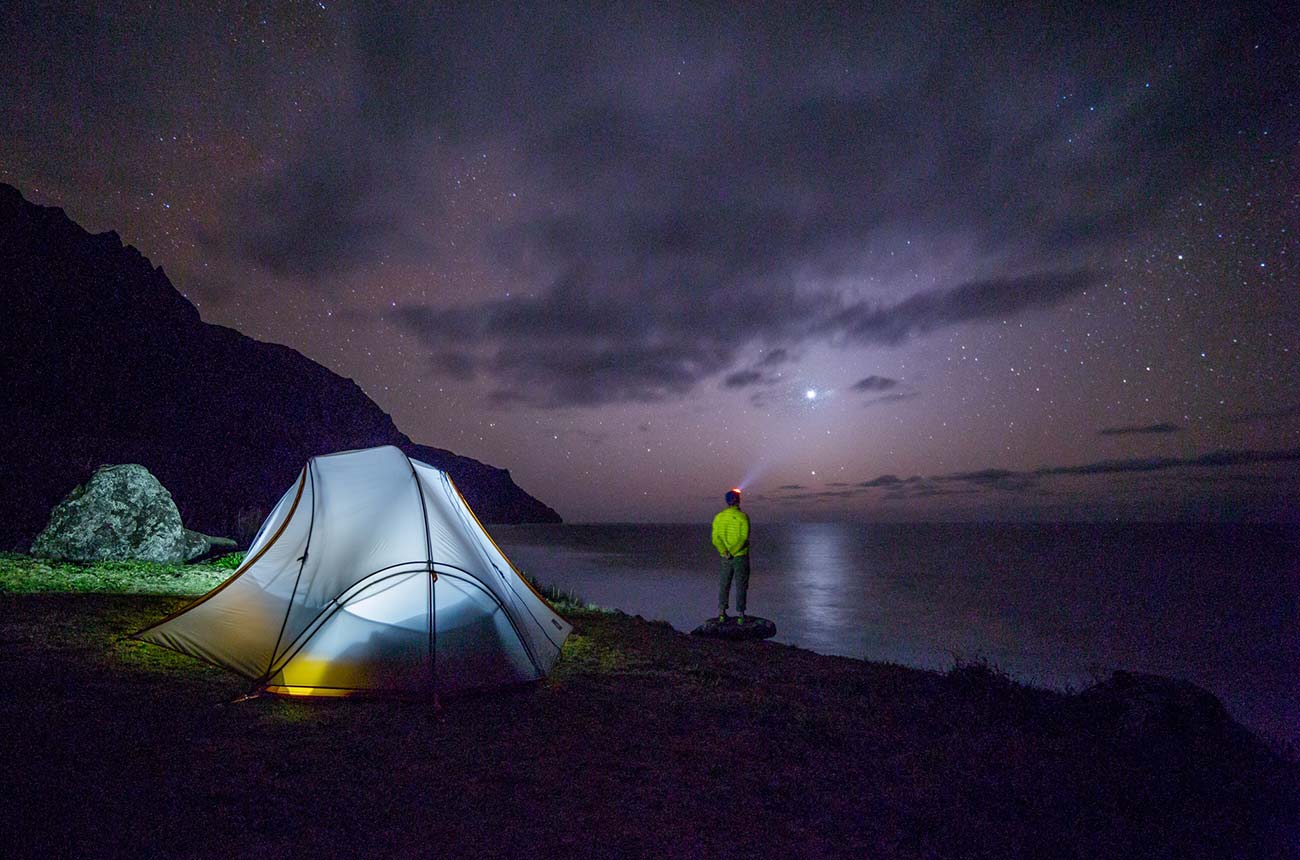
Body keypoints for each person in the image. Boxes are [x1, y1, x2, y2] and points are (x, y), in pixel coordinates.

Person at [711, 488, 751, 624]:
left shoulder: (718, 517)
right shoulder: (743, 517)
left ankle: (722, 613)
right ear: (738, 501)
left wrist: (724, 552)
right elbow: (743, 538)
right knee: (741, 585)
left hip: (724, 557)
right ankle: (741, 615)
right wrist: (733, 552)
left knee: (724, 584)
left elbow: (715, 538)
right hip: (740, 556)